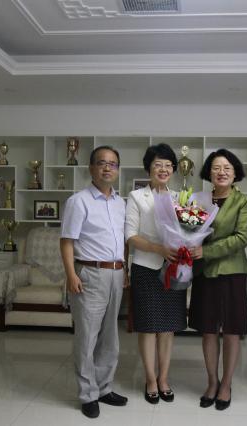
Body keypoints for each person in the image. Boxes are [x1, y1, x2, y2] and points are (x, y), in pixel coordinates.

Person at [60, 145, 128, 419]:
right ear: (91, 168)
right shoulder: (79, 201)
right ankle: (87, 394)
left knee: (110, 337)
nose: (107, 168)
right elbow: (67, 241)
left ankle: (103, 388)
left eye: (113, 163)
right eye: (102, 163)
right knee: (87, 337)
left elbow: (122, 241)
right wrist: (71, 274)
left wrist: (125, 270)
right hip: (89, 274)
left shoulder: (121, 203)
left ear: (118, 170)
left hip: (116, 273)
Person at [188, 148, 247, 411]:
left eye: (227, 168)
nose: (222, 172)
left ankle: (226, 384)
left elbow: (242, 238)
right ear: (209, 173)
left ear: (235, 173)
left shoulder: (244, 202)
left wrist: (206, 251)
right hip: (204, 273)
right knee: (208, 330)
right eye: (216, 167)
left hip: (232, 273)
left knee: (231, 331)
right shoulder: (198, 200)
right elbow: (188, 229)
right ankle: (212, 382)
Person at [125, 143, 185, 405]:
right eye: (158, 164)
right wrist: (158, 248)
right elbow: (130, 236)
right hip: (146, 269)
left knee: (168, 328)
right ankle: (150, 379)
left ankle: (164, 378)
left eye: (168, 165)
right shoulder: (137, 196)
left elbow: (188, 230)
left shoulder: (180, 198)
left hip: (173, 269)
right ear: (148, 168)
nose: (163, 169)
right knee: (148, 328)